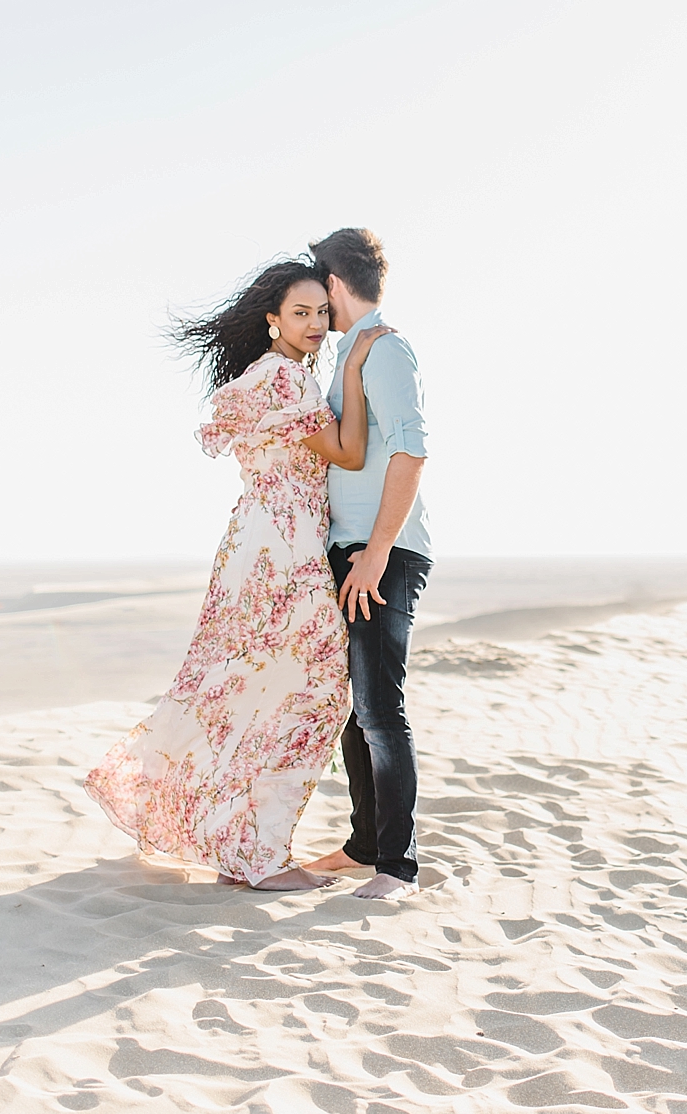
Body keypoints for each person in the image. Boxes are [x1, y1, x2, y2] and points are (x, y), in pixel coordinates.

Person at [83, 259, 391, 891]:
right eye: (298, 313)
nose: (314, 324)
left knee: (247, 689)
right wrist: (355, 370)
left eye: (320, 313)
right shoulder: (283, 381)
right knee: (313, 693)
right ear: (273, 320)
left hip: (260, 543)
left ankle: (232, 837)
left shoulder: (274, 377)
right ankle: (254, 853)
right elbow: (350, 452)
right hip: (286, 550)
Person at [302, 228, 433, 901]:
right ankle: (363, 846)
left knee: (381, 706)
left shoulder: (384, 348)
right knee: (359, 708)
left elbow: (410, 453)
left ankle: (398, 867)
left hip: (385, 550)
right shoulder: (349, 354)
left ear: (334, 281)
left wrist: (377, 552)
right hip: (349, 549)